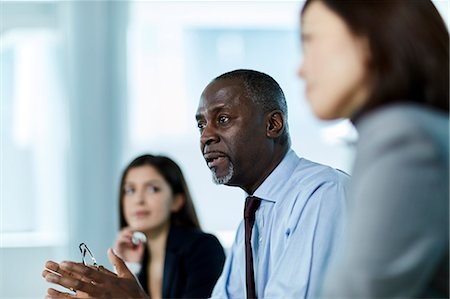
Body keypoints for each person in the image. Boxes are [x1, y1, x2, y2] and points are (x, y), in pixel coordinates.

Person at [299, 0, 449, 297]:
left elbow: (360, 290)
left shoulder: (401, 136)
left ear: (367, 40)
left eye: (310, 42)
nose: (301, 69)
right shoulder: (415, 129)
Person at [196, 69, 349, 298]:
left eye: (223, 119)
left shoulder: (321, 193)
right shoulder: (252, 219)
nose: (205, 136)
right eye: (201, 125)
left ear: (273, 124)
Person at [42, 154, 225, 299]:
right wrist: (130, 266)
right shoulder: (141, 258)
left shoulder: (204, 248)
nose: (138, 199)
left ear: (177, 201)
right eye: (130, 190)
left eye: (153, 189)